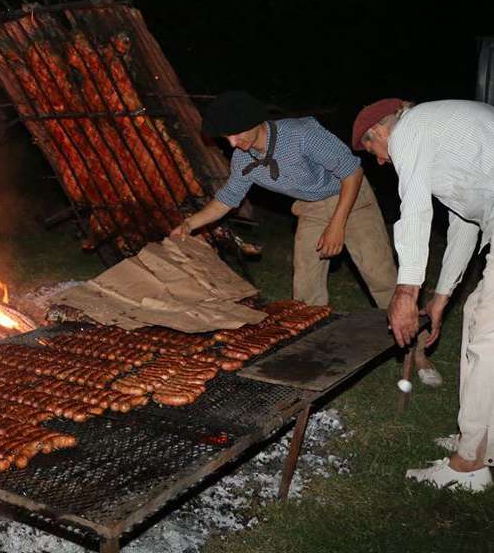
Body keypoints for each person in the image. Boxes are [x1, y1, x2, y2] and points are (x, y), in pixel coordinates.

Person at [353, 97, 494, 491]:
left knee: (487, 334)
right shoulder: (436, 133)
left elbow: (413, 209)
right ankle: (481, 439)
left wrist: (406, 291)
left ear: (380, 131)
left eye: (373, 150)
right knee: (478, 318)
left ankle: (468, 466)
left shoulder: (411, 128)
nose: (381, 161)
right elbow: (464, 225)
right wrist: (442, 295)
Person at [172, 90, 403, 316]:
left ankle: (415, 348)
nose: (232, 143)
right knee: (305, 285)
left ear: (255, 122)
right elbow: (227, 199)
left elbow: (353, 172)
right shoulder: (243, 158)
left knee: (379, 276)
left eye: (236, 134)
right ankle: (312, 340)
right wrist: (189, 224)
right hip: (311, 206)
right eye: (226, 137)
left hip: (350, 197)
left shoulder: (301, 134)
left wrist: (336, 225)